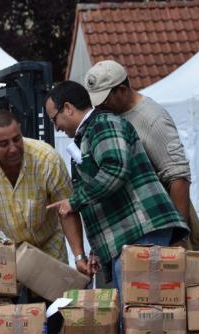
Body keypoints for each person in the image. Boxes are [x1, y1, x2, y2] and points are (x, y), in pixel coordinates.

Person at [44, 81, 188, 293]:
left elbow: (115, 169)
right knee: (134, 313)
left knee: (139, 313)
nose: (55, 127)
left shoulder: (103, 125)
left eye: (53, 119)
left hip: (142, 232)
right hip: (132, 235)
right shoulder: (89, 135)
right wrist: (97, 251)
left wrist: (74, 202)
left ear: (68, 108)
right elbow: (102, 194)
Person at [84, 60, 199, 250]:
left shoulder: (152, 119)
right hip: (133, 226)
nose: (100, 106)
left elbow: (179, 177)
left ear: (122, 90)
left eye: (105, 99)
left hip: (161, 227)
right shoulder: (113, 115)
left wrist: (178, 236)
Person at [0, 109, 89, 273]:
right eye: (4, 144)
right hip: (3, 251)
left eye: (16, 139)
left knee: (56, 296)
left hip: (48, 244)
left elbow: (66, 210)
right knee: (8, 297)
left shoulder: (47, 159)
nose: (13, 149)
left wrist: (79, 257)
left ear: (20, 130)